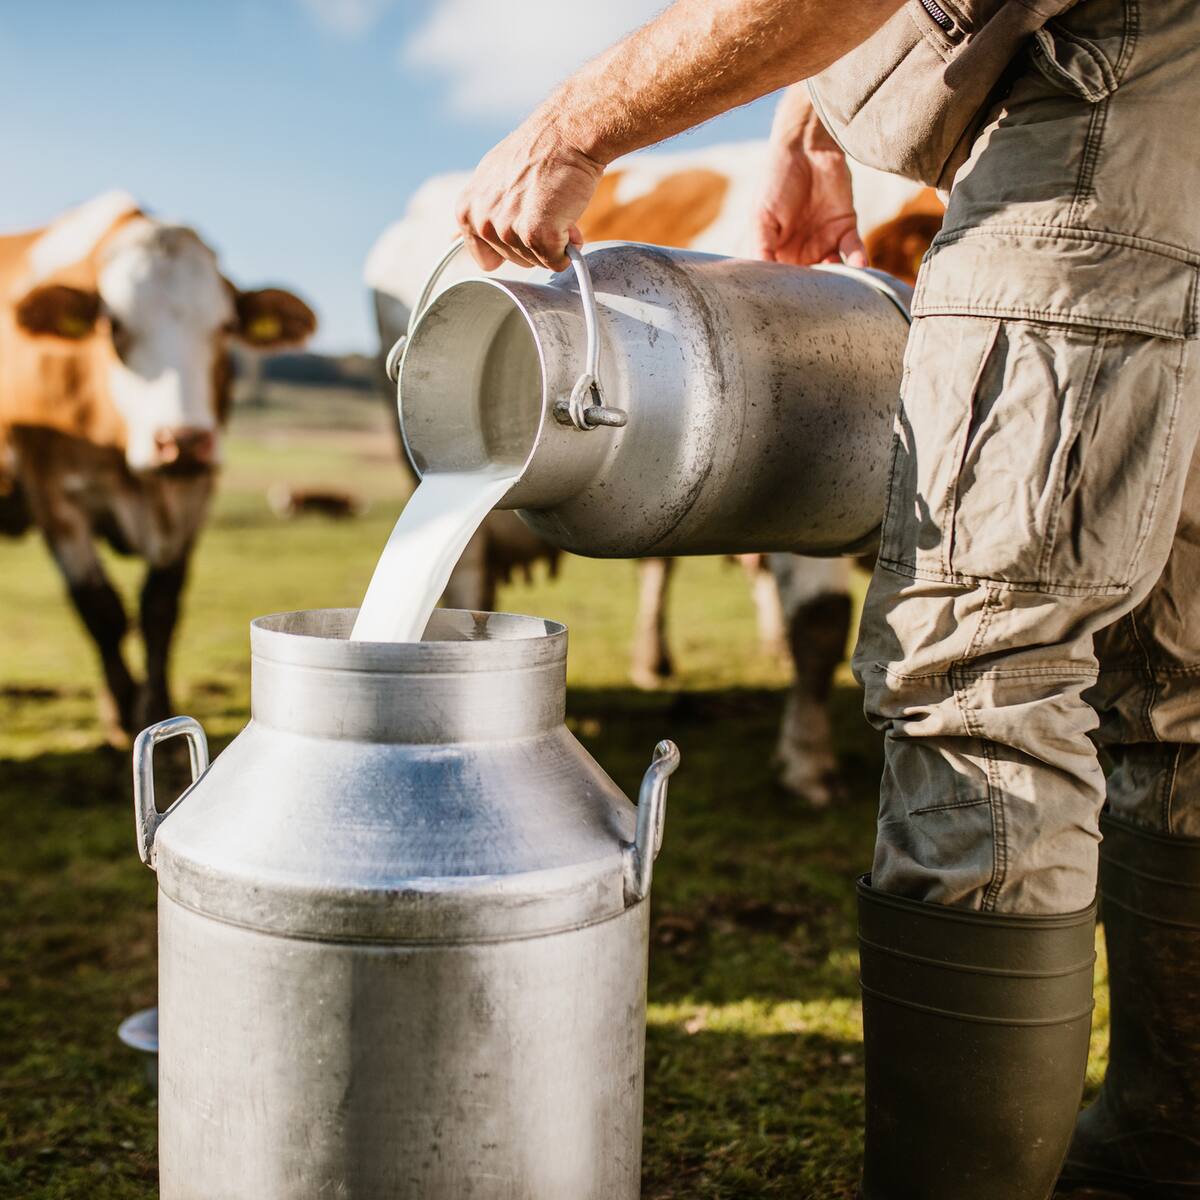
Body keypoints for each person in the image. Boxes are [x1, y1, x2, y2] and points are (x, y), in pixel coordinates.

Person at [454, 1, 1200, 1196]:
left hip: (1095, 125)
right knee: (1174, 684)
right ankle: (1164, 1154)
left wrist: (568, 130)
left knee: (981, 680)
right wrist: (809, 118)